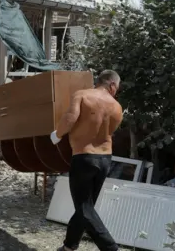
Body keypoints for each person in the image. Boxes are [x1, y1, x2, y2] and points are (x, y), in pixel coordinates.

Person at [50, 70, 123, 251]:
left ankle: (110, 247)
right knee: (86, 207)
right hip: (105, 159)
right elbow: (108, 131)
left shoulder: (82, 95)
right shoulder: (117, 106)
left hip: (84, 157)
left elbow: (70, 118)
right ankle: (70, 245)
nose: (117, 91)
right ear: (112, 85)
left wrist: (56, 135)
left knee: (84, 208)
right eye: (117, 88)